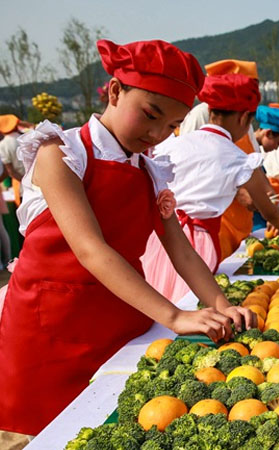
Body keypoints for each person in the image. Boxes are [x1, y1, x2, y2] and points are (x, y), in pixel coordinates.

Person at [0, 39, 256, 436]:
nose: (156, 134)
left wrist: (221, 304)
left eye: (171, 126)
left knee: (109, 426)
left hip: (120, 321)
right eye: (150, 115)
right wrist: (174, 315)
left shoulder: (150, 170)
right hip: (49, 328)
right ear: (115, 91)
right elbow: (90, 249)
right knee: (36, 432)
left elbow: (179, 247)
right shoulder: (62, 152)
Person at [142, 75, 279, 301]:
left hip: (158, 236)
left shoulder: (176, 143)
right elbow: (264, 204)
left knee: (159, 301)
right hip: (196, 242)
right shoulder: (237, 157)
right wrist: (276, 222)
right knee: (192, 305)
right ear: (243, 118)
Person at [177, 59, 268, 261]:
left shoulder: (245, 121)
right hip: (213, 224)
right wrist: (240, 191)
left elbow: (253, 162)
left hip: (241, 221)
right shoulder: (201, 115)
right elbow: (194, 171)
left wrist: (263, 190)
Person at [0, 114, 32, 206]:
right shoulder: (28, 138)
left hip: (22, 186)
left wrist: (27, 183)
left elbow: (10, 171)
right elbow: (31, 126)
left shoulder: (3, 145)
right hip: (38, 181)